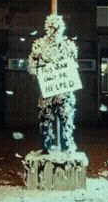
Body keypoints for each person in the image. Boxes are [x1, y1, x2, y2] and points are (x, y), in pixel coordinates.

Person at [28, 14, 77, 154]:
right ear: (47, 28)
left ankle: (67, 147)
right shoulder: (39, 45)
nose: (54, 30)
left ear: (62, 28)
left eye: (57, 27)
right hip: (47, 92)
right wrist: (39, 72)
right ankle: (46, 147)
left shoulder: (68, 46)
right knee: (45, 119)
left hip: (64, 92)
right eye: (51, 27)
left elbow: (74, 66)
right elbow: (32, 65)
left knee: (66, 119)